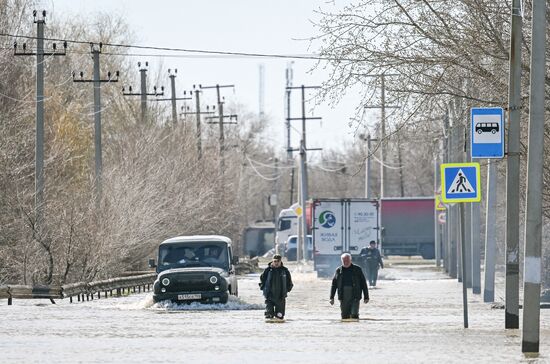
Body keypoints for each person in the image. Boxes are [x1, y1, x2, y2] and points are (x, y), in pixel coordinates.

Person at [329, 253, 369, 319]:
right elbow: (334, 285)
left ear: (351, 260)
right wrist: (331, 298)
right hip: (343, 295)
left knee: (354, 314)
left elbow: (363, 284)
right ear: (341, 261)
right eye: (344, 261)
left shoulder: (357, 269)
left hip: (355, 294)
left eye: (347, 260)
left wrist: (366, 297)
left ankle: (355, 328)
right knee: (344, 316)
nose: (346, 262)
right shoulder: (338, 270)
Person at [259, 254, 293, 320]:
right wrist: (263, 288)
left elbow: (289, 282)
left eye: (278, 261)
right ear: (272, 261)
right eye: (275, 261)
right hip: (269, 297)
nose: (276, 263)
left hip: (280, 297)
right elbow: (262, 280)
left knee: (279, 317)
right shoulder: (268, 270)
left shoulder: (285, 271)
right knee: (269, 316)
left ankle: (279, 330)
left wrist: (287, 290)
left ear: (280, 262)